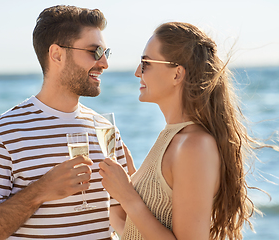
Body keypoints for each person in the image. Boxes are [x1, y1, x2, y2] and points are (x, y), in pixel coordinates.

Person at [0, 5, 132, 240]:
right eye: (94, 52)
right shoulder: (0, 136)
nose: (104, 63)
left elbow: (121, 218)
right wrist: (40, 191)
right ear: (57, 55)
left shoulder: (106, 130)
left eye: (106, 52)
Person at [99, 22, 270, 240]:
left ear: (177, 74)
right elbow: (134, 234)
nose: (136, 72)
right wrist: (118, 191)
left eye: (145, 63)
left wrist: (128, 196)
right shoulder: (172, 138)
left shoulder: (194, 145)